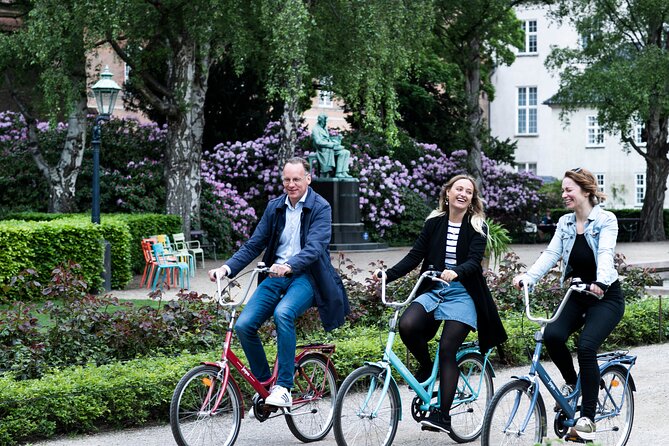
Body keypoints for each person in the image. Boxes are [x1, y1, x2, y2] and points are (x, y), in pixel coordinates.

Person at [208, 157, 349, 407]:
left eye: (296, 179)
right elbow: (254, 244)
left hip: (307, 277)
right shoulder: (275, 207)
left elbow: (316, 247)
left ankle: (284, 386)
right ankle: (265, 386)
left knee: (283, 313)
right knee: (244, 325)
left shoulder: (321, 207)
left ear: (308, 178)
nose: (291, 184)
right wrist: (226, 268)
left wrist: (290, 265)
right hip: (275, 276)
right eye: (286, 179)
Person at [374, 174, 507, 434]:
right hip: (435, 289)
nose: (463, 194)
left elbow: (474, 261)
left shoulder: (478, 225)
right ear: (447, 193)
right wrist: (387, 275)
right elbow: (415, 255)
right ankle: (425, 367)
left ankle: (442, 416)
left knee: (447, 349)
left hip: (463, 293)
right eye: (459, 189)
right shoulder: (434, 222)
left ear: (472, 199)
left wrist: (456, 271)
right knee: (408, 324)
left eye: (468, 191)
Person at [513, 167, 624, 441]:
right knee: (551, 335)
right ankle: (575, 384)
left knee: (586, 346)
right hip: (577, 292)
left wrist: (601, 281)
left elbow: (606, 252)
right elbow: (551, 253)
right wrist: (528, 277)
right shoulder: (564, 223)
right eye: (563, 190)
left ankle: (587, 418)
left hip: (605, 295)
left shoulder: (606, 220)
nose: (564, 195)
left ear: (585, 191)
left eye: (568, 190)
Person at [311, 114, 351, 178]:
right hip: (323, 150)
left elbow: (328, 139)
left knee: (346, 152)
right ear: (321, 121)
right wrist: (331, 144)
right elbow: (318, 142)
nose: (326, 122)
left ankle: (342, 172)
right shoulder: (315, 129)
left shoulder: (325, 127)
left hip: (330, 148)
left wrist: (334, 141)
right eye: (325, 121)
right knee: (340, 152)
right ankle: (337, 173)